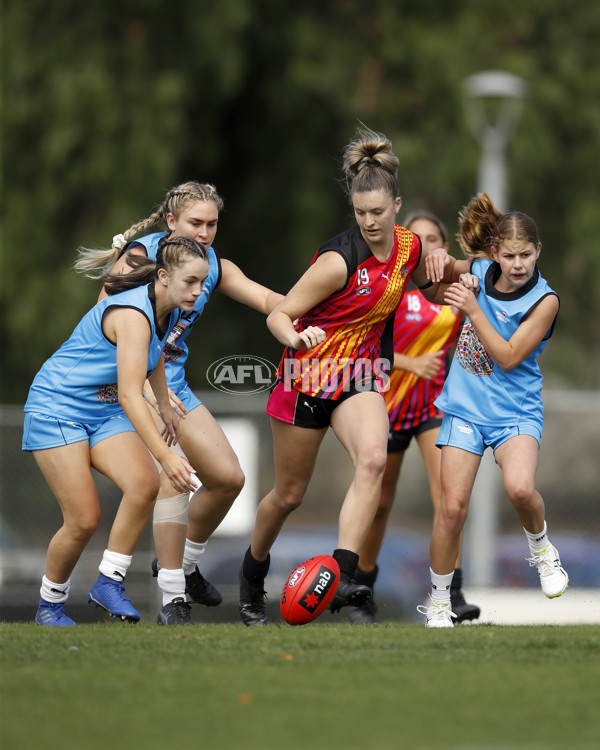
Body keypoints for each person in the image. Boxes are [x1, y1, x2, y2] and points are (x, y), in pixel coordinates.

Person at [237, 127, 451, 626]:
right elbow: (279, 315)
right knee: (289, 495)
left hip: (360, 374)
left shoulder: (409, 248)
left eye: (378, 212)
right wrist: (295, 338)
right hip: (306, 379)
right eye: (360, 213)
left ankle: (346, 575)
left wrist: (455, 270)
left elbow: (430, 289)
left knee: (374, 459)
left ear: (397, 205)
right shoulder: (337, 261)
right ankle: (251, 575)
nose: (370, 222)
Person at [76, 181, 283, 625]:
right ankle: (173, 599)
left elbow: (267, 299)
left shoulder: (212, 264)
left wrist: (317, 310)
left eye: (212, 224)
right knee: (174, 473)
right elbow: (104, 323)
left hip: (174, 385)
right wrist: (149, 390)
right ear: (171, 223)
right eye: (195, 223)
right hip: (132, 382)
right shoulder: (140, 256)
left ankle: (184, 567)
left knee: (229, 478)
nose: (205, 232)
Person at [24, 236, 208, 626]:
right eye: (190, 281)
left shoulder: (169, 309)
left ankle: (109, 580)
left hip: (100, 410)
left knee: (144, 484)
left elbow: (153, 359)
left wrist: (162, 401)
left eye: (202, 282)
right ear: (162, 276)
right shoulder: (133, 315)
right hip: (58, 407)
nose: (198, 290)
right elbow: (128, 395)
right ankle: (50, 605)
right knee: (84, 519)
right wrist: (166, 455)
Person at [417, 192, 569, 628]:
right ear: (495, 253)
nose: (517, 264)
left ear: (537, 251)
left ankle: (541, 549)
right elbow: (434, 283)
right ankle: (441, 602)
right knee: (451, 508)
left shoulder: (545, 301)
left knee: (520, 489)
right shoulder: (481, 270)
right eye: (509, 255)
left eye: (525, 255)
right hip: (465, 409)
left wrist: (471, 308)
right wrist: (439, 260)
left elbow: (506, 356)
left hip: (514, 414)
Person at [349, 211, 480, 625]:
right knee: (380, 503)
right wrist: (407, 361)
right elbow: (358, 343)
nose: (425, 244)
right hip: (383, 405)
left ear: (443, 245)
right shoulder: (389, 285)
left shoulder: (455, 290)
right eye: (417, 237)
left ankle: (452, 593)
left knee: (449, 498)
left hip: (434, 407)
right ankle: (362, 591)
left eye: (433, 238)